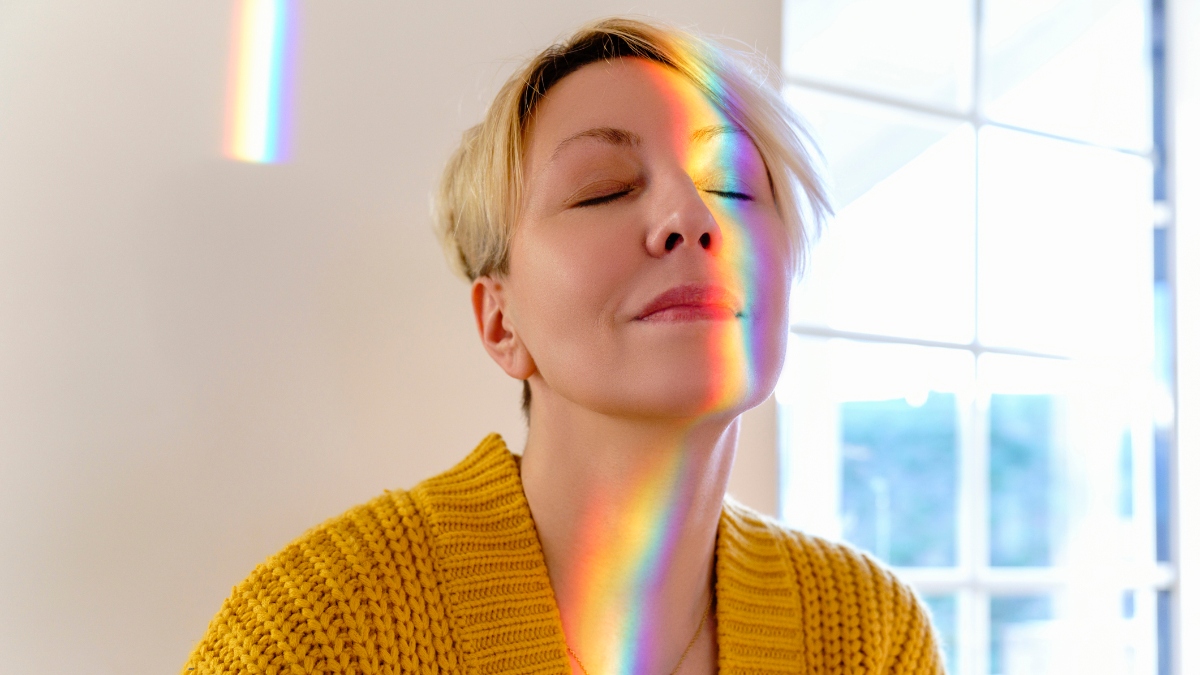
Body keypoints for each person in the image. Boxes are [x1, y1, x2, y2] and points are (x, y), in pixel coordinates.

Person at [182, 17, 945, 675]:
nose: (690, 214)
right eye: (604, 188)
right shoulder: (319, 631)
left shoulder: (869, 633)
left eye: (736, 186)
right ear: (500, 322)